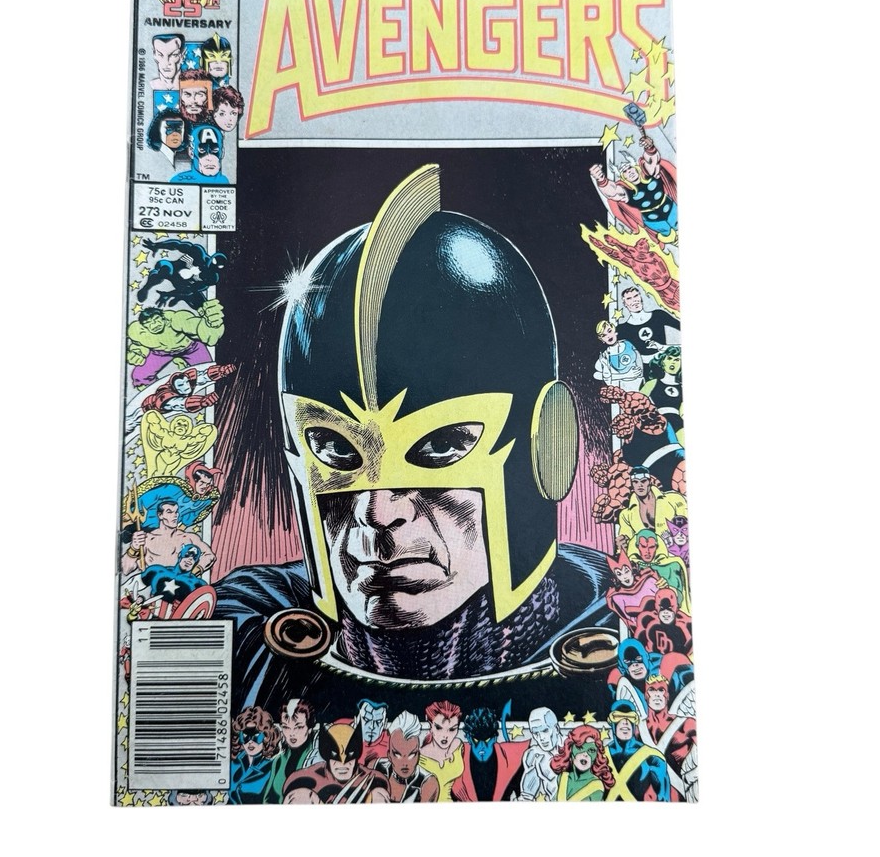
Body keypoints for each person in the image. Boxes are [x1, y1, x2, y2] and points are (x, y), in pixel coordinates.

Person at [213, 165, 615, 716]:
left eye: (441, 446)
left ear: (549, 446)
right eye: (336, 449)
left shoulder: (632, 633)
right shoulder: (241, 636)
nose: (379, 513)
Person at [589, 135, 677, 239]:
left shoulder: (650, 173)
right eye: (625, 172)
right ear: (623, 177)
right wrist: (601, 179)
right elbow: (612, 192)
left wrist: (650, 148)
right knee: (668, 238)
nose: (629, 172)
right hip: (655, 222)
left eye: (630, 168)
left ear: (635, 167)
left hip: (672, 210)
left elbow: (653, 162)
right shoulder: (626, 191)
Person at [125, 300, 225, 388]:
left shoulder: (176, 319)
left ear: (163, 318)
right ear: (144, 327)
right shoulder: (141, 333)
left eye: (156, 319)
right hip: (162, 353)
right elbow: (138, 345)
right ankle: (158, 393)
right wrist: (136, 353)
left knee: (209, 371)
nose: (154, 325)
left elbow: (195, 326)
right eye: (149, 323)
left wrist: (209, 324)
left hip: (190, 349)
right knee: (140, 376)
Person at [283, 722, 390, 803]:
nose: (342, 764)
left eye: (349, 757)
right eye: (335, 757)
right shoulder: (307, 778)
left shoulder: (372, 779)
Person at [121, 499, 215, 575]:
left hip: (183, 587)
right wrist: (134, 548)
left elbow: (210, 555)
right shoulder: (147, 539)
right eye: (169, 512)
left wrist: (193, 572)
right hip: (156, 587)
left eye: (176, 512)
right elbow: (125, 569)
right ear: (160, 515)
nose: (175, 516)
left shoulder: (189, 537)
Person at [262, 699, 320, 804]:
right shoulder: (279, 760)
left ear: (310, 728)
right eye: (286, 727)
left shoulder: (316, 758)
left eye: (298, 727)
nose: (292, 733)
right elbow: (268, 799)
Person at [617, 466, 688, 551]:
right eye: (635, 482)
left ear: (650, 481)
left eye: (643, 481)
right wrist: (623, 544)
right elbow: (626, 542)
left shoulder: (674, 499)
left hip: (674, 552)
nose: (640, 485)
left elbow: (687, 528)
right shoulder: (626, 515)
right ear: (632, 484)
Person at [373, 712, 438, 803]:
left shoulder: (428, 783)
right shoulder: (376, 767)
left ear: (418, 755)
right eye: (397, 754)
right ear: (389, 755)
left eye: (411, 755)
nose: (405, 763)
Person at [228, 706, 280, 803]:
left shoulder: (272, 767)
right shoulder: (233, 763)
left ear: (266, 737)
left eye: (256, 735)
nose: (250, 742)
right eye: (245, 735)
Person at [550, 724, 615, 800]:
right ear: (570, 750)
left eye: (591, 750)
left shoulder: (596, 786)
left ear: (596, 756)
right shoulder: (563, 778)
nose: (585, 754)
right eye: (580, 747)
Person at [418, 699, 464, 802]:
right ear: (430, 725)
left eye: (452, 729)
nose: (445, 735)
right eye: (439, 728)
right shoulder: (419, 756)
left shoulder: (458, 746)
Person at [593, 320, 644, 391]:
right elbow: (608, 379)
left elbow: (638, 358)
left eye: (609, 331)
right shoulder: (606, 355)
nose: (608, 336)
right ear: (602, 339)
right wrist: (627, 375)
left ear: (614, 330)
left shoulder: (627, 343)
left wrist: (641, 375)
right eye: (604, 335)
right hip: (624, 387)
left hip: (639, 381)